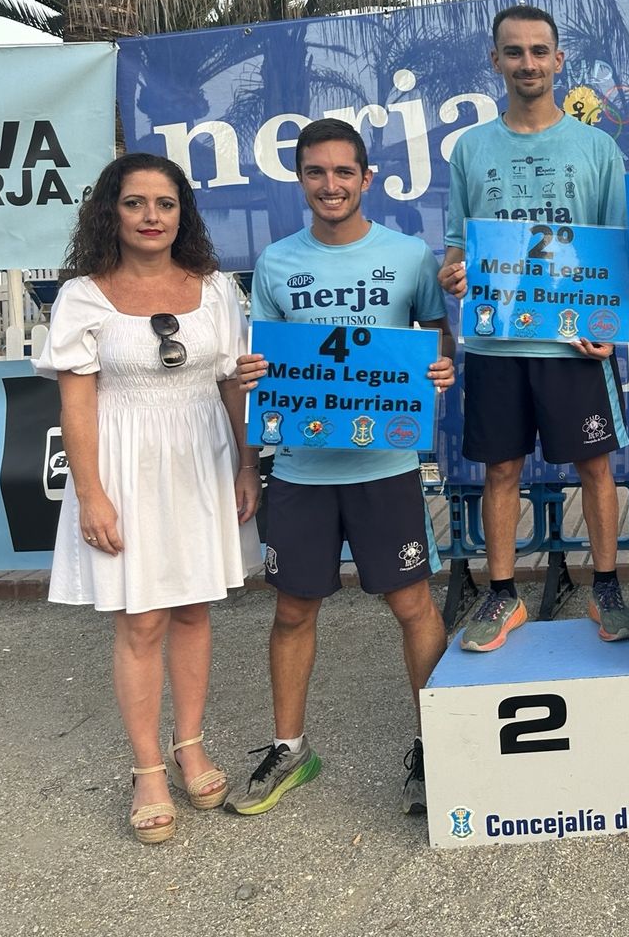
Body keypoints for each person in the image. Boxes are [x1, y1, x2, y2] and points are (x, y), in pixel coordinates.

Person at [227, 118, 455, 818]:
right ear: (301, 179)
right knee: (294, 610)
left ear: (367, 179)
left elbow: (434, 337)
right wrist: (249, 409)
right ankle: (291, 746)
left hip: (383, 466)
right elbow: (259, 370)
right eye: (316, 173)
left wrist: (440, 367)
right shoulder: (276, 264)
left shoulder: (409, 256)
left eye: (343, 172)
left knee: (413, 605)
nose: (331, 185)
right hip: (299, 471)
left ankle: (435, 744)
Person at [35, 153, 260, 843]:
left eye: (164, 204)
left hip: (202, 459)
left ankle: (189, 743)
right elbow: (77, 406)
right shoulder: (83, 296)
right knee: (142, 621)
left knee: (193, 609)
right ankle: (147, 770)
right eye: (135, 204)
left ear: (181, 214)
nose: (151, 217)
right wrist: (92, 493)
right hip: (124, 468)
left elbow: (231, 383)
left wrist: (247, 465)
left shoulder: (216, 288)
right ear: (111, 211)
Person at [440, 4, 629, 652]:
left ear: (560, 61)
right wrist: (455, 274)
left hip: (576, 343)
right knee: (501, 472)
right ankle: (503, 597)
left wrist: (607, 324)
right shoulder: (471, 149)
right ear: (495, 62)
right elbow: (456, 248)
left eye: (538, 51)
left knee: (595, 468)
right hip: (499, 342)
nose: (527, 63)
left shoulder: (596, 148)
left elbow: (613, 246)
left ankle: (604, 587)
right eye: (513, 52)